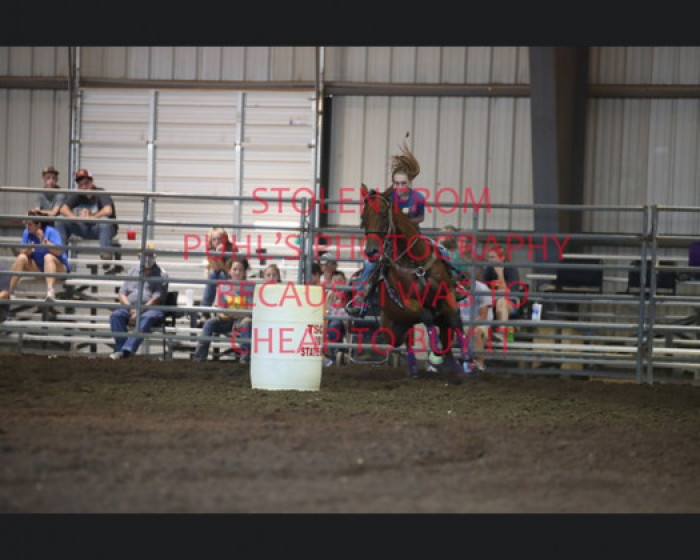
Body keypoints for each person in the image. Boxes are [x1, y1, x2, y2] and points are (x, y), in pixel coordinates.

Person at [347, 142, 426, 315]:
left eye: (403, 183)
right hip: (393, 241)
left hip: (413, 236)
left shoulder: (418, 198)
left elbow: (421, 217)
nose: (399, 187)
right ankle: (361, 299)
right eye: (397, 183)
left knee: (440, 251)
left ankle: (454, 283)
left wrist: (406, 222)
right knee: (370, 263)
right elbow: (378, 209)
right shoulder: (389, 197)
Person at [109, 244, 168, 359]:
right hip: (130, 308)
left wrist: (139, 311)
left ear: (154, 256)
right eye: (145, 255)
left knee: (148, 317)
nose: (147, 258)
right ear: (139, 256)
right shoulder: (132, 271)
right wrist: (131, 309)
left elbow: (156, 299)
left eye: (150, 255)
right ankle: (122, 350)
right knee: (116, 315)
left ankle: (126, 351)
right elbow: (122, 293)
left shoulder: (162, 274)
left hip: (150, 310)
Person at [0, 211, 72, 306]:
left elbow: (58, 252)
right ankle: (9, 291)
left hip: (58, 270)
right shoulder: (27, 232)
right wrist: (27, 251)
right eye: (26, 224)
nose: (27, 226)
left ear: (38, 225)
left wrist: (43, 240)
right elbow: (22, 251)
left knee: (48, 257)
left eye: (30, 224)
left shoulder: (51, 231)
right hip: (39, 269)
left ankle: (50, 291)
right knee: (21, 257)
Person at [191, 256, 253, 363]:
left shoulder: (250, 287)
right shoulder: (223, 286)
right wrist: (223, 315)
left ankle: (245, 359)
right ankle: (199, 357)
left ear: (244, 272)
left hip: (242, 320)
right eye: (235, 269)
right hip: (228, 319)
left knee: (247, 323)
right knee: (209, 323)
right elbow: (219, 309)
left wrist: (233, 315)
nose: (237, 272)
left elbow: (250, 310)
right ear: (229, 271)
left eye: (240, 270)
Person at [55, 169, 119, 260]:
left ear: (92, 182)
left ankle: (105, 254)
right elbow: (63, 209)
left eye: (86, 183)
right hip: (84, 227)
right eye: (81, 185)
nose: (84, 187)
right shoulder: (78, 195)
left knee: (105, 221)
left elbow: (108, 210)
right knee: (60, 219)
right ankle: (61, 254)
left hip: (101, 229)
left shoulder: (101, 192)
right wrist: (75, 219)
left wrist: (91, 217)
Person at [482, 247, 522, 344]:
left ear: (502, 258)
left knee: (502, 302)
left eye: (492, 257)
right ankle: (482, 333)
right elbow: (483, 289)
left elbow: (509, 292)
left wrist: (500, 274)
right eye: (489, 257)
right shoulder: (488, 270)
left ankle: (501, 333)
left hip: (510, 302)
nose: (489, 260)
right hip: (492, 300)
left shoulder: (511, 269)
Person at [323, 269, 348, 367]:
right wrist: (329, 301)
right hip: (331, 319)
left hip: (344, 320)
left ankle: (338, 351)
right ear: (331, 282)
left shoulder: (348, 293)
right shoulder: (329, 293)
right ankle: (334, 353)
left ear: (344, 281)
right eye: (335, 281)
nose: (337, 283)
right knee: (333, 325)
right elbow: (326, 310)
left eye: (340, 280)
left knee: (336, 324)